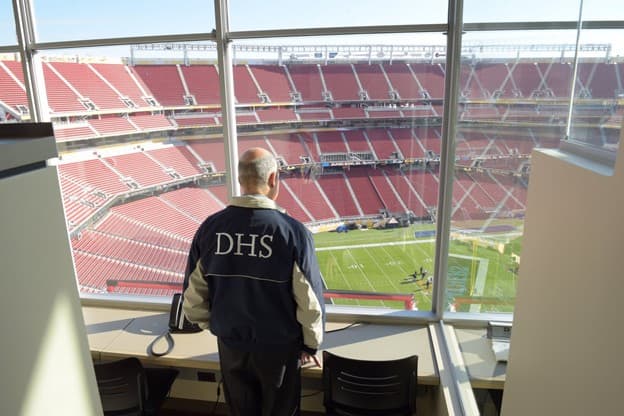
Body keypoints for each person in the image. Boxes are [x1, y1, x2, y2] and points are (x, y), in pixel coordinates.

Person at [183, 147, 325, 416]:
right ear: (273, 178)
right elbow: (309, 301)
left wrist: (216, 326)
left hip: (231, 344)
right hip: (279, 351)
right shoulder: (293, 233)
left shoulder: (210, 228)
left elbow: (193, 296)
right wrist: (310, 344)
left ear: (240, 180)